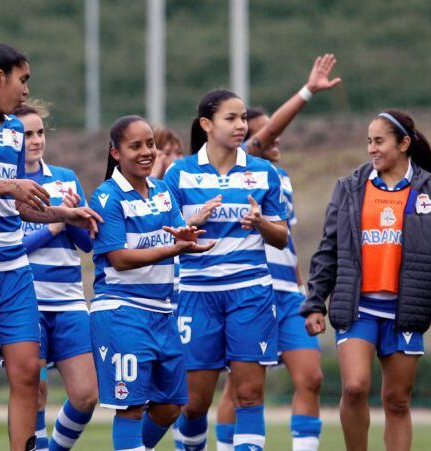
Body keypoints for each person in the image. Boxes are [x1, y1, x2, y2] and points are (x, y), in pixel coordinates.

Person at [0, 36, 101, 451]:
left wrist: (65, 214)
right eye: (22, 81)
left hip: (12, 270)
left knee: (27, 372)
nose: (26, 91)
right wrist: (4, 185)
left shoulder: (13, 131)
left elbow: (19, 204)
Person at [212, 53, 342, 451]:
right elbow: (265, 134)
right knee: (241, 385)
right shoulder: (243, 164)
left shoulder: (280, 178)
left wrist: (308, 292)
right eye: (266, 131)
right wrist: (307, 91)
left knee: (311, 377)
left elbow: (285, 241)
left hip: (288, 294)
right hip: (252, 291)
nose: (276, 137)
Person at [164, 89, 288, 451]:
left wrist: (261, 223)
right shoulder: (179, 174)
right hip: (197, 296)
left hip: (250, 294)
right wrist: (191, 222)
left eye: (243, 118)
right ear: (206, 124)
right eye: (231, 118)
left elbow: (281, 237)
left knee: (248, 394)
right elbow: (166, 235)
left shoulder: (264, 173)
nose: (241, 126)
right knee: (194, 402)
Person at [302, 110, 431, 451]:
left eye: (379, 141)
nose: (372, 149)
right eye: (368, 142)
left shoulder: (426, 190)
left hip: (407, 310)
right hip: (358, 307)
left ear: (404, 144)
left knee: (398, 401)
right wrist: (315, 302)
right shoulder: (349, 188)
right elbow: (327, 249)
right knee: (356, 387)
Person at [91, 115, 213, 451]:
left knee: (170, 406)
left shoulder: (162, 192)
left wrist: (190, 239)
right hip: (123, 311)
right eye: (136, 146)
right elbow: (119, 257)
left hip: (163, 312)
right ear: (115, 153)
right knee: (130, 407)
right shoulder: (107, 197)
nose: (146, 152)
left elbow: (178, 237)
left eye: (150, 144)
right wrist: (175, 247)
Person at [13, 101, 97, 451]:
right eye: (25, 134)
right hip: (25, 299)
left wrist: (77, 218)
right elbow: (11, 247)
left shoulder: (64, 178)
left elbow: (85, 245)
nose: (34, 140)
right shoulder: (7, 184)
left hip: (69, 300)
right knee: (35, 391)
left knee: (86, 395)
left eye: (39, 133)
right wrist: (55, 224)